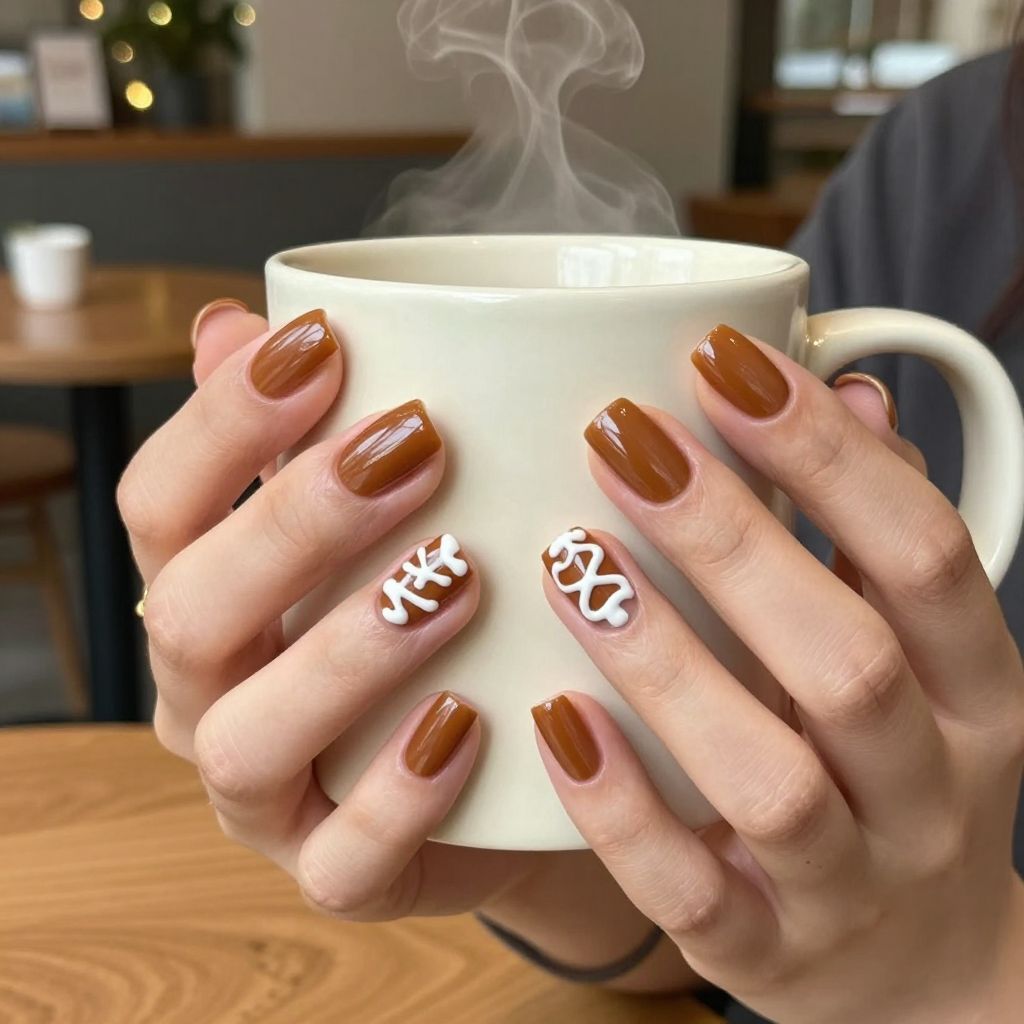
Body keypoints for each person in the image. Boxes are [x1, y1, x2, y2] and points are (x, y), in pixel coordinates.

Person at [117, 45, 1024, 1024]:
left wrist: (959, 975)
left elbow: (868, 959)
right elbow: (722, 947)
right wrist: (530, 841)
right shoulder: (950, 152)